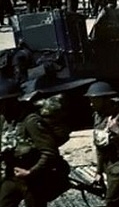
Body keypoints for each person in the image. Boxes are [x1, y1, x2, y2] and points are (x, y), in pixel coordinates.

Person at [0, 79, 74, 207]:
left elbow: (49, 152)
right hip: (11, 176)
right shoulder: (4, 120)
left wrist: (31, 172)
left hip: (34, 179)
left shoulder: (31, 121)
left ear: (10, 102)